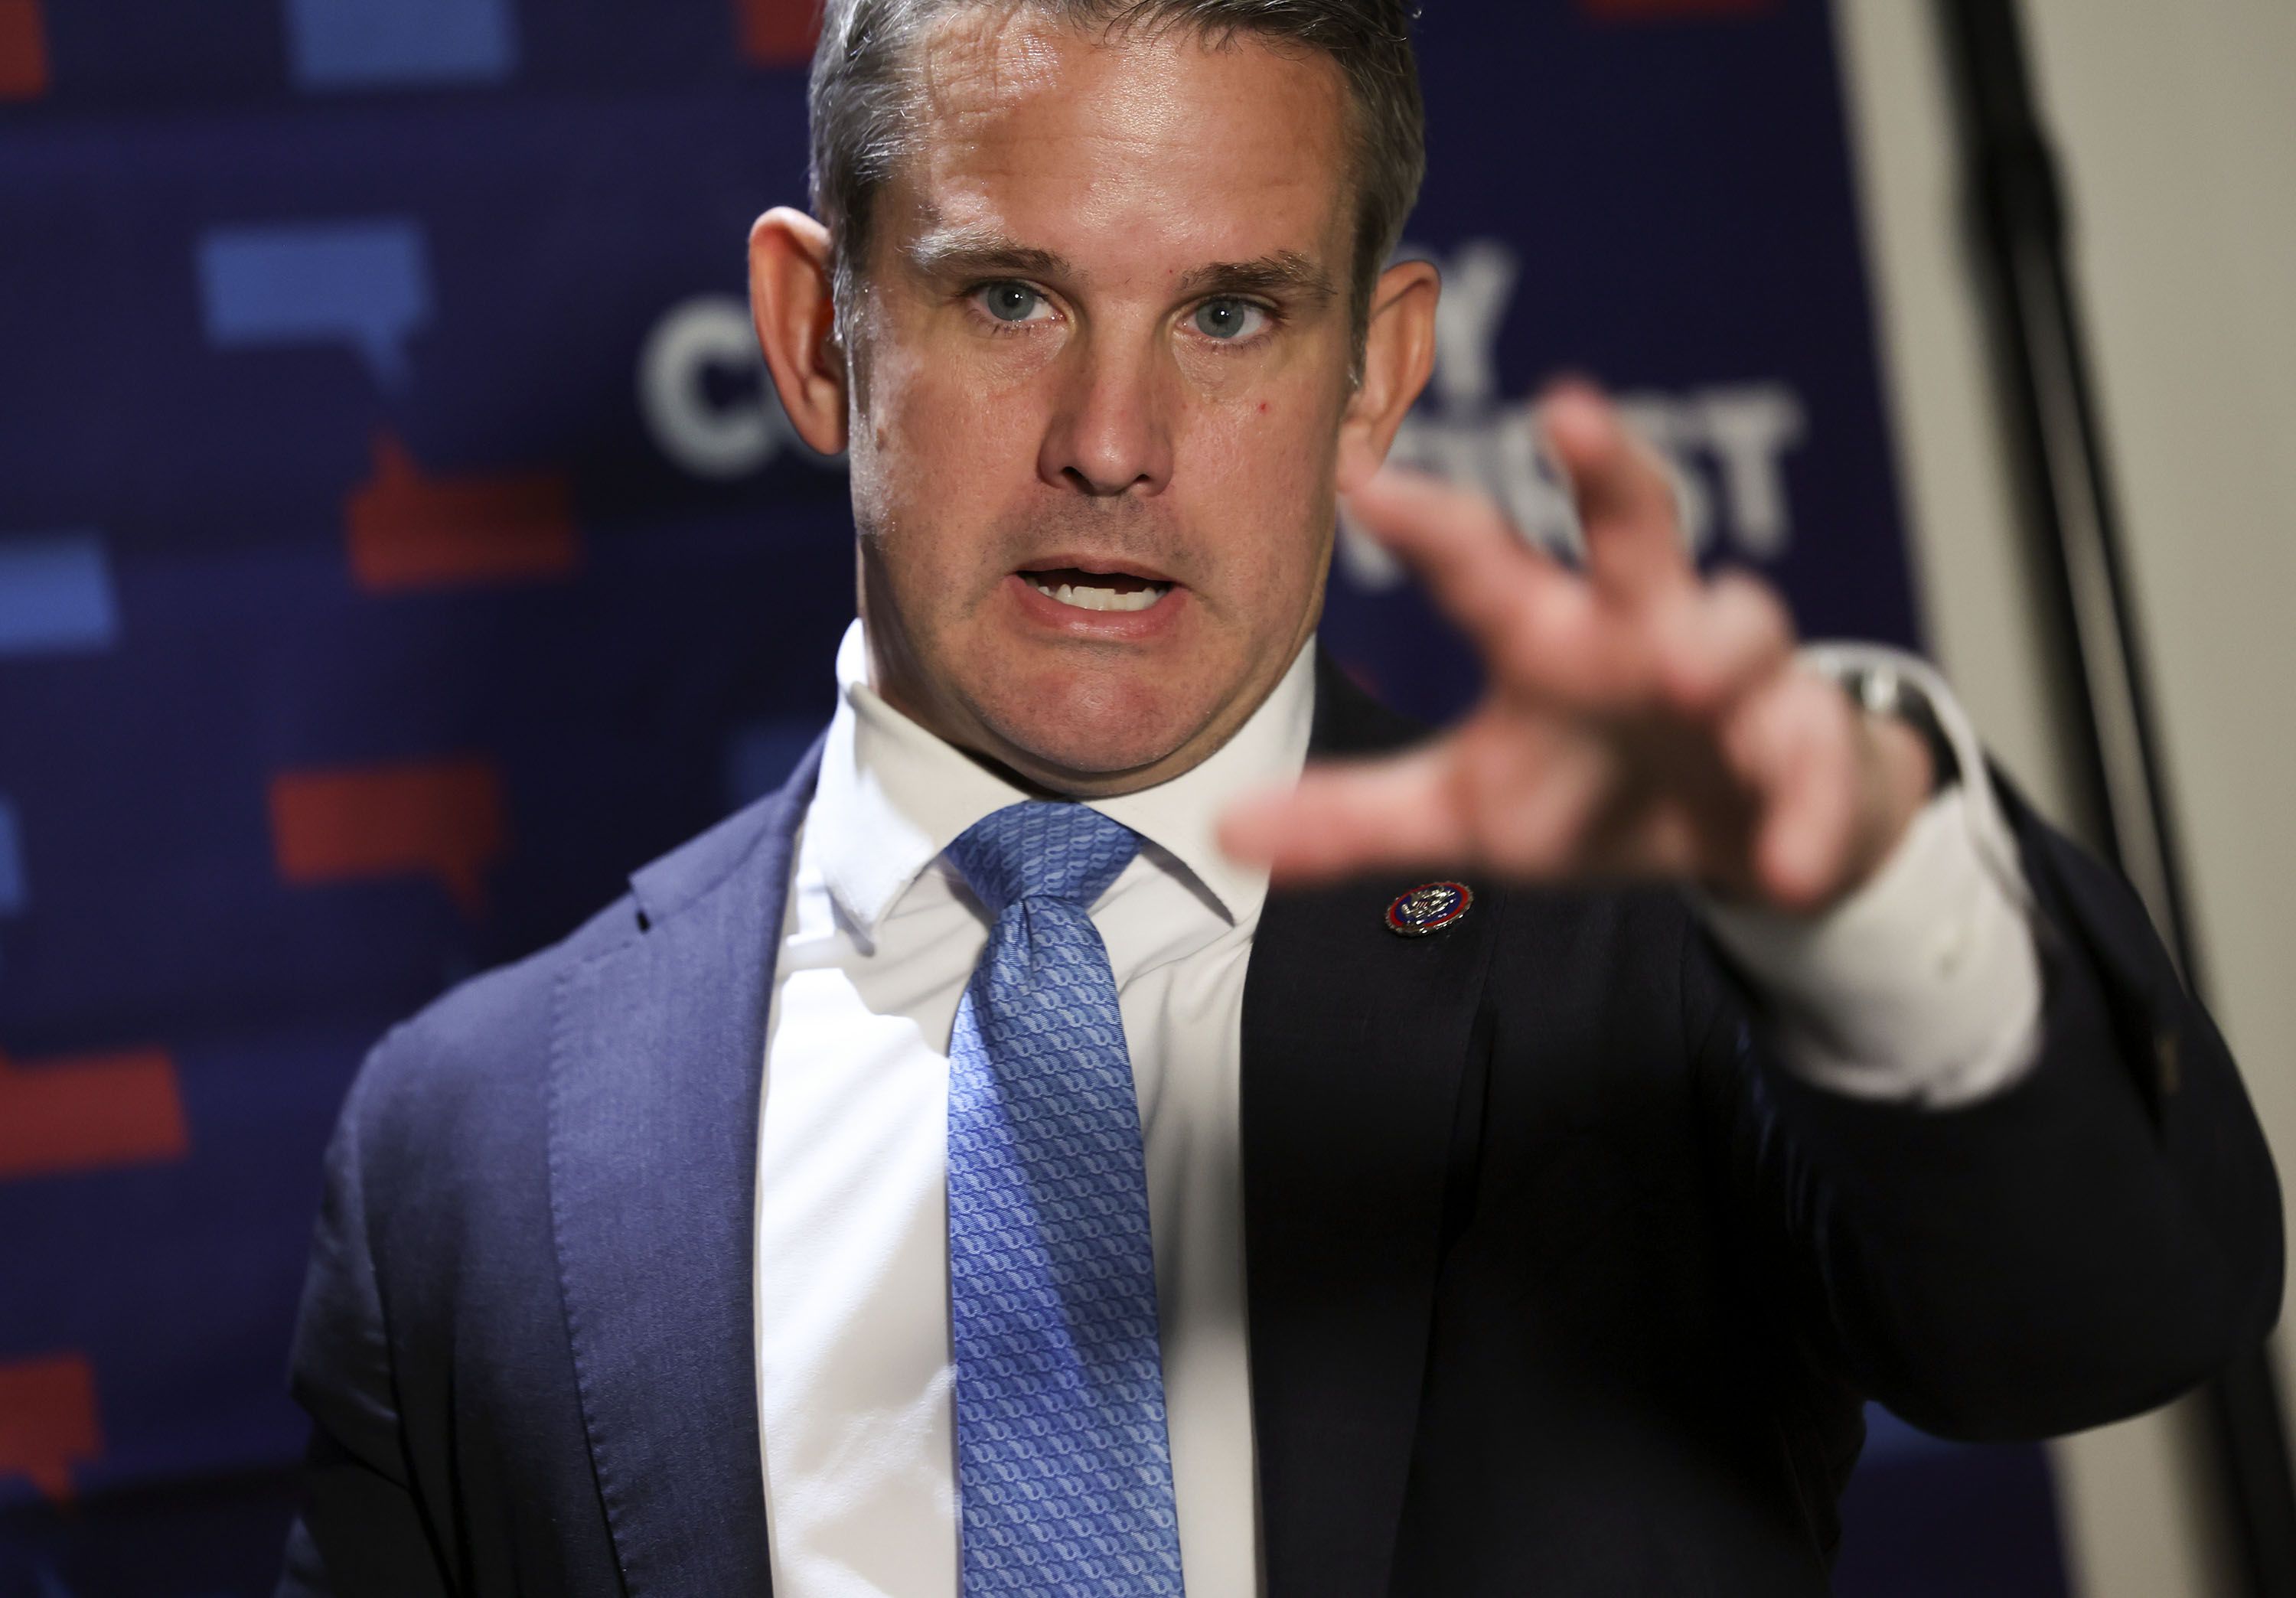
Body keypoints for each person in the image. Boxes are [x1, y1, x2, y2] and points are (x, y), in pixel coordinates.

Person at [276, 2, 2281, 1594]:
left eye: (1231, 313)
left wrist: (1860, 895)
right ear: (819, 336)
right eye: (1009, 298)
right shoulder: (459, 1145)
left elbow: (2103, 1321)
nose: (1115, 443)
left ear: (1379, 373)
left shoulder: (1668, 970)